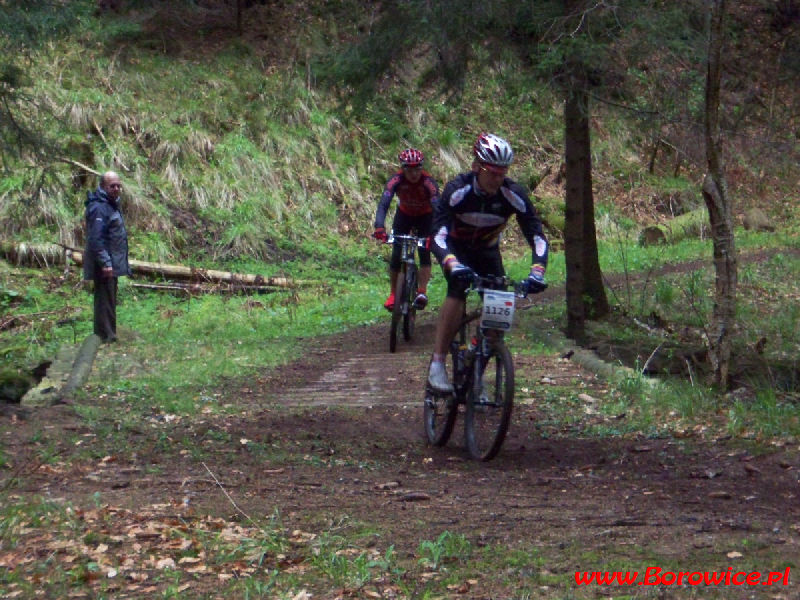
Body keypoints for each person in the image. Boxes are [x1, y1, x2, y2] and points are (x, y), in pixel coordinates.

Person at [427, 133, 549, 392]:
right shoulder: (458, 190)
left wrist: (537, 271)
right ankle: (437, 363)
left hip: (487, 252)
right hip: (457, 251)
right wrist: (451, 263)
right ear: (476, 167)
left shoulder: (512, 193)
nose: (498, 178)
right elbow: (437, 235)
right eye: (492, 172)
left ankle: (477, 368)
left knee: (499, 309)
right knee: (457, 292)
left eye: (502, 172)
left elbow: (536, 236)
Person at [372, 148, 440, 311]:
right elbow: (384, 204)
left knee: (424, 251)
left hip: (426, 217)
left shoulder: (428, 183)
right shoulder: (395, 180)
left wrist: (436, 232)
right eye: (409, 169)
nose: (414, 173)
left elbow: (439, 209)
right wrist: (379, 227)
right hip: (405, 216)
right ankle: (394, 294)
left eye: (417, 168)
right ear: (403, 169)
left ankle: (421, 292)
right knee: (396, 255)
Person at [83, 171, 131, 343]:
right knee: (104, 299)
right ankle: (105, 336)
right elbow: (96, 239)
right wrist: (106, 263)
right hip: (103, 264)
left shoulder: (111, 205)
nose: (116, 188)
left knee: (109, 298)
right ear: (103, 186)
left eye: (118, 185)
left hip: (111, 262)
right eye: (112, 186)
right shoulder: (99, 208)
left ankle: (108, 334)